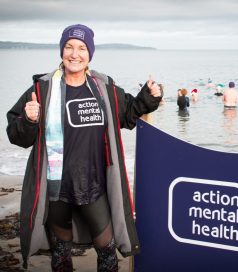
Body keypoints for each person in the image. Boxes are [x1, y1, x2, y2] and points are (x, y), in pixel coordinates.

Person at [6, 24, 162, 272]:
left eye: (81, 48)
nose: (74, 54)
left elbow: (129, 114)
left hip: (94, 185)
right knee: (60, 254)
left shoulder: (104, 88)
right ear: (61, 51)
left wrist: (149, 96)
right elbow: (17, 136)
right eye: (69, 47)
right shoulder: (41, 89)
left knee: (107, 250)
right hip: (56, 188)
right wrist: (28, 120)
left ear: (90, 54)